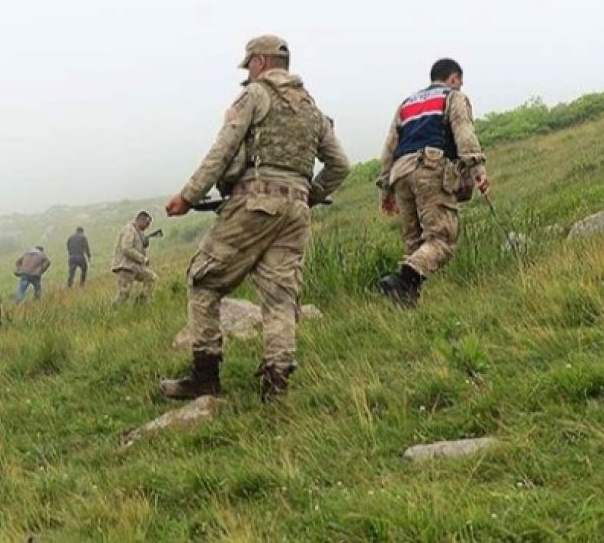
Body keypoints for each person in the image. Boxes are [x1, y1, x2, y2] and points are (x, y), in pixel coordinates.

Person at [161, 34, 349, 402]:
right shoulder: (311, 108)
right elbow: (340, 165)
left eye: (248, 64)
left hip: (253, 202)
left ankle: (205, 377)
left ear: (260, 62)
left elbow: (223, 149)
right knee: (280, 299)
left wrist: (188, 196)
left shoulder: (255, 95)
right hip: (295, 212)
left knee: (204, 281)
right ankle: (276, 386)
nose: (247, 71)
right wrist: (309, 195)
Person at [376, 58, 489, 307]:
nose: (459, 86)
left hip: (400, 173)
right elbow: (464, 132)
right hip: (430, 169)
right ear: (454, 78)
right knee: (442, 239)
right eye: (459, 82)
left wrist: (387, 189)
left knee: (414, 245)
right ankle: (402, 280)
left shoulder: (406, 104)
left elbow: (389, 148)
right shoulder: (453, 97)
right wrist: (477, 168)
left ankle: (405, 304)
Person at [110, 212, 157, 303]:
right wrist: (142, 258)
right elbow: (126, 248)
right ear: (140, 220)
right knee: (124, 294)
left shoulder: (137, 232)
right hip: (125, 266)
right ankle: (113, 311)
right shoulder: (129, 229)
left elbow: (136, 246)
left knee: (151, 278)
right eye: (147, 224)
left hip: (134, 266)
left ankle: (143, 302)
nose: (147, 226)